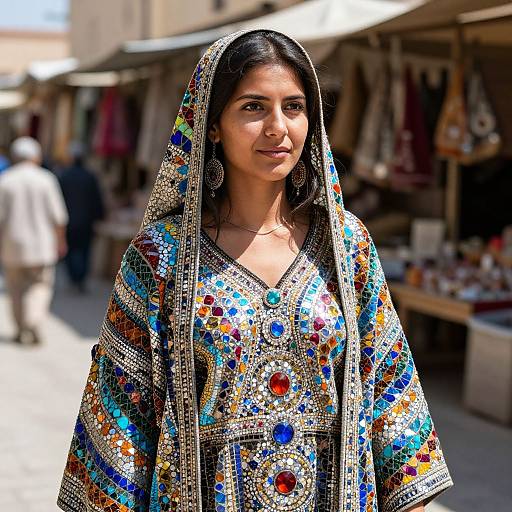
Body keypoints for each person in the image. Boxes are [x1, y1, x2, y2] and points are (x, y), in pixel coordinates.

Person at [57, 31, 453, 512]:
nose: (277, 128)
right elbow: (121, 412)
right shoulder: (160, 256)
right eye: (252, 107)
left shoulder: (346, 245)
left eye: (293, 106)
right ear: (213, 124)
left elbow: (391, 391)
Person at [0, 136, 68, 343]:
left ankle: (22, 328)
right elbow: (59, 217)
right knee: (40, 285)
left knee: (15, 289)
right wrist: (61, 241)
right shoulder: (46, 179)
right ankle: (33, 321)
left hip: (12, 245)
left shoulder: (6, 180)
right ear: (36, 157)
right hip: (41, 245)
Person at [59, 141, 105, 293]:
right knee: (85, 251)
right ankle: (80, 279)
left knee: (70, 250)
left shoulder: (63, 176)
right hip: (86, 221)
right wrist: (100, 216)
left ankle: (74, 278)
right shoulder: (90, 177)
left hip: (68, 221)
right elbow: (97, 199)